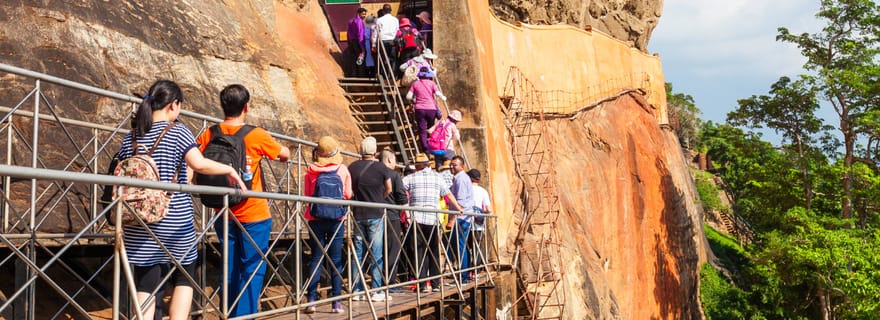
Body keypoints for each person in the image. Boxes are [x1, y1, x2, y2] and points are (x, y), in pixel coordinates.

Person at [119, 80, 246, 320]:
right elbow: (198, 164)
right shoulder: (177, 131)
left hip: (137, 221)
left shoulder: (131, 137)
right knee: (185, 276)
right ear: (173, 105)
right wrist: (229, 170)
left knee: (147, 282)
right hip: (173, 219)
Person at [196, 84, 291, 318]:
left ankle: (227, 313)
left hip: (223, 210)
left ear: (222, 105)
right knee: (253, 269)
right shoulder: (256, 135)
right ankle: (245, 316)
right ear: (246, 106)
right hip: (253, 213)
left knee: (229, 268)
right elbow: (284, 154)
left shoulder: (209, 133)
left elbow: (196, 158)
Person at [303, 136, 353, 313]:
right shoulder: (342, 169)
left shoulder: (310, 171)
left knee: (316, 258)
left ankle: (311, 300)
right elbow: (347, 195)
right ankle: (336, 302)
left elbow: (308, 195)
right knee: (336, 259)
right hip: (336, 219)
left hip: (315, 218)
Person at [403, 153, 464, 292]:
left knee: (418, 251)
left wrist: (405, 210)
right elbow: (448, 194)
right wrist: (458, 208)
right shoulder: (437, 177)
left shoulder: (410, 178)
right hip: (433, 218)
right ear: (429, 164)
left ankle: (423, 284)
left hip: (416, 218)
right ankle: (436, 284)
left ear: (417, 166)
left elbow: (399, 190)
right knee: (434, 251)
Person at [347, 137, 393, 301]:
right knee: (376, 253)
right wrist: (380, 198)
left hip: (358, 214)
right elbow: (389, 188)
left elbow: (349, 191)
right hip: (376, 213)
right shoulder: (381, 167)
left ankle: (356, 290)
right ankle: (377, 290)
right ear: (375, 152)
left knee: (357, 254)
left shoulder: (352, 167)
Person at [380, 150, 408, 289]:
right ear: (390, 160)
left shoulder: (374, 173)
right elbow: (402, 198)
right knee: (392, 250)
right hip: (392, 216)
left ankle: (377, 282)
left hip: (376, 215)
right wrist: (407, 216)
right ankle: (389, 283)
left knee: (377, 249)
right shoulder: (395, 175)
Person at [447, 156, 474, 283]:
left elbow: (461, 203)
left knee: (460, 246)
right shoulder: (458, 178)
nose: (451, 167)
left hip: (461, 218)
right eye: (451, 164)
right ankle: (462, 274)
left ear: (462, 166)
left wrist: (452, 220)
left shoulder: (461, 179)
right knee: (460, 246)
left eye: (455, 165)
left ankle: (462, 277)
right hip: (462, 217)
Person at [406, 67, 446, 153]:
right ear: (428, 75)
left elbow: (408, 96)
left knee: (422, 129)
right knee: (431, 127)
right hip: (431, 109)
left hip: (420, 109)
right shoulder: (432, 83)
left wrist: (413, 100)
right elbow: (438, 93)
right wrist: (443, 97)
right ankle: (432, 144)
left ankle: (425, 148)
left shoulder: (415, 84)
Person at [467, 169, 492, 277]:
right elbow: (488, 209)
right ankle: (476, 271)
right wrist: (481, 211)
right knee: (477, 246)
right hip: (478, 224)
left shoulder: (466, 189)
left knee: (466, 247)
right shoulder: (483, 191)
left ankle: (467, 271)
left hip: (466, 221)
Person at [374, 6, 399, 77]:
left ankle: (385, 75)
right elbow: (397, 31)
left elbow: (376, 33)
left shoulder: (379, 20)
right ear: (390, 11)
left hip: (383, 41)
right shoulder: (395, 20)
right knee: (393, 58)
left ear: (383, 11)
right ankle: (392, 75)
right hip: (392, 40)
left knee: (384, 58)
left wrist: (373, 44)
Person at [346, 7, 367, 77]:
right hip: (358, 42)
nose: (364, 16)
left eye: (365, 14)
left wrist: (349, 42)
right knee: (361, 58)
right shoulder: (359, 21)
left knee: (353, 58)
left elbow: (348, 33)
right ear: (359, 13)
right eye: (363, 14)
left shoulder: (351, 21)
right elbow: (360, 34)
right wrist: (362, 47)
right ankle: (361, 76)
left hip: (352, 42)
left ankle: (353, 75)